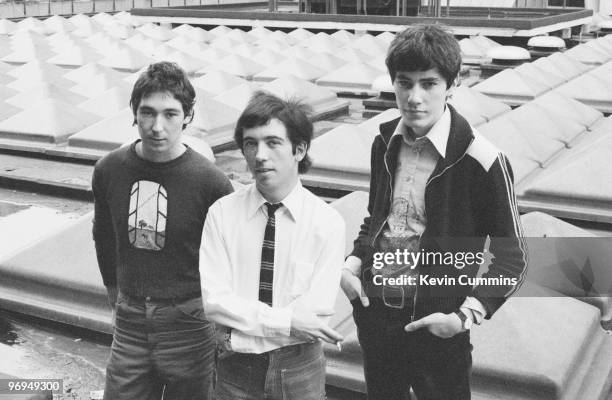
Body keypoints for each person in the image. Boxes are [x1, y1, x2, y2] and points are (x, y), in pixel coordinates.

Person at [340, 24, 528, 400]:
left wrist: (462, 317)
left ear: (452, 85)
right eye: (404, 83)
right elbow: (379, 218)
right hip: (378, 317)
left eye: (428, 83)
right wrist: (352, 266)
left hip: (437, 328)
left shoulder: (483, 160)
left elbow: (512, 257)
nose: (414, 97)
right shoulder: (384, 142)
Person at [92, 61, 233, 400]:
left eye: (170, 114)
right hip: (130, 321)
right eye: (147, 113)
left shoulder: (211, 182)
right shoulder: (109, 170)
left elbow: (229, 256)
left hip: (189, 321)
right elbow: (104, 235)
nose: (157, 126)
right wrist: (114, 288)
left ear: (188, 116)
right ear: (134, 113)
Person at [199, 91, 345, 400]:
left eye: (272, 142)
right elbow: (215, 301)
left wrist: (241, 329)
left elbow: (314, 318)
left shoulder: (327, 223)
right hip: (234, 368)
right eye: (250, 143)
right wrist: (288, 321)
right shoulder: (222, 214)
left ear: (299, 149)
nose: (260, 155)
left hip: (298, 369)